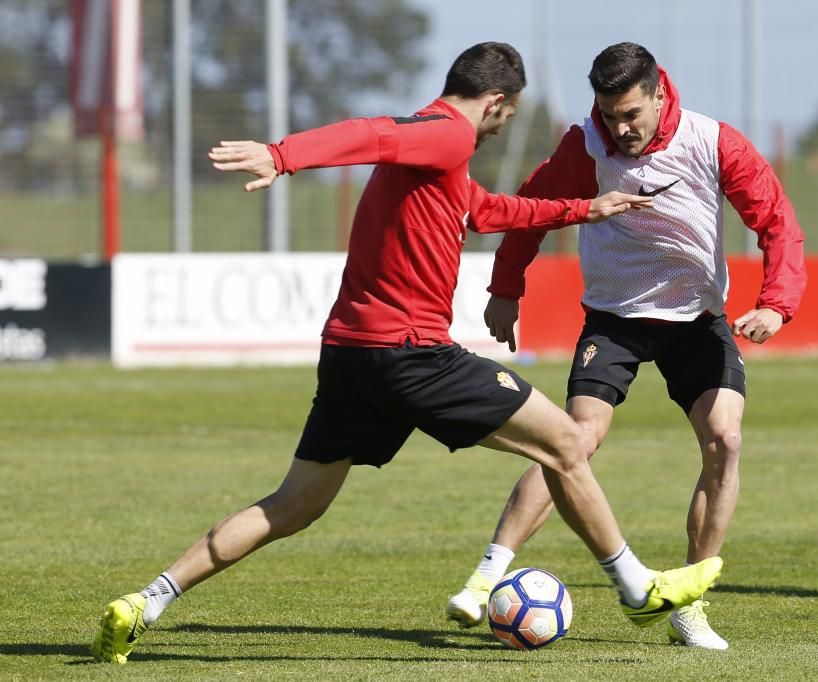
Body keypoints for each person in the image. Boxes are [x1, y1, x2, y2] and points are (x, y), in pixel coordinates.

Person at [91, 42, 723, 665]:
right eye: (508, 116)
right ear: (497, 103)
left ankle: (146, 602)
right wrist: (282, 156)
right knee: (566, 441)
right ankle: (638, 589)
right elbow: (371, 132)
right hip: (411, 353)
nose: (503, 128)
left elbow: (486, 210)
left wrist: (585, 207)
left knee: (293, 504)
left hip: (349, 355)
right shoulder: (444, 134)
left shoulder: (440, 158)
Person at [445, 42, 806, 651]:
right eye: (610, 114)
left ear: (659, 94)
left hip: (697, 318)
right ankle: (486, 578)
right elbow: (533, 210)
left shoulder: (714, 142)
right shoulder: (585, 144)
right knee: (573, 439)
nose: (621, 128)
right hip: (615, 318)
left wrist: (776, 301)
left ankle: (689, 607)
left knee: (726, 437)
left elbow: (776, 221)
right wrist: (506, 287)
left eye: (631, 114)